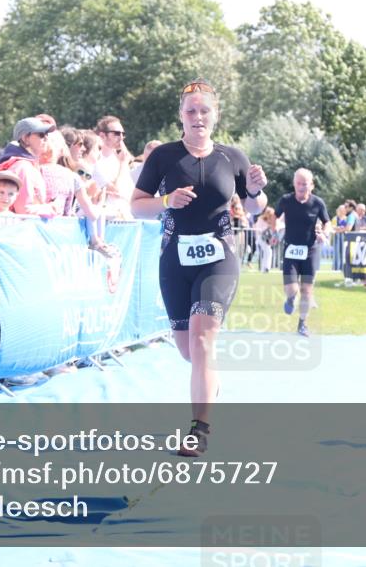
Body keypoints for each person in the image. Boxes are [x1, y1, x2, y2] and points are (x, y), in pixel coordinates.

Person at [131, 79, 267, 457]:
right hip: (175, 257)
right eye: (190, 110)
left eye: (204, 110)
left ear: (215, 115)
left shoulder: (232, 157)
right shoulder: (163, 157)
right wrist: (166, 201)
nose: (198, 117)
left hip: (219, 256)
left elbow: (255, 207)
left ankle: (199, 430)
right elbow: (136, 205)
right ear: (180, 116)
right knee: (190, 351)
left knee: (204, 339)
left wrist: (256, 190)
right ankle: (208, 384)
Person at [276, 168, 330, 337]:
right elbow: (274, 216)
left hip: (311, 250)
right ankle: (291, 299)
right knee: (292, 289)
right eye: (298, 183)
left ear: (311, 185)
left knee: (307, 290)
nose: (301, 187)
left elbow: (327, 222)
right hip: (291, 251)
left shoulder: (317, 203)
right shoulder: (285, 200)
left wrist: (324, 233)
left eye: (305, 184)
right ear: (294, 184)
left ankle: (302, 324)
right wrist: (275, 228)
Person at [0, 117, 63, 217]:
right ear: (26, 138)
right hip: (21, 230)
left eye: (46, 134)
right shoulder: (23, 167)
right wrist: (51, 208)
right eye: (41, 134)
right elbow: (24, 211)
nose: (46, 138)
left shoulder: (26, 165)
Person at [93, 115, 135, 219]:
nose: (121, 137)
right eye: (116, 133)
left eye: (123, 134)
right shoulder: (97, 162)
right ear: (102, 135)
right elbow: (116, 189)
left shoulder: (119, 159)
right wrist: (123, 164)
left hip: (126, 215)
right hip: (108, 220)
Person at [253, 208, 279, 273]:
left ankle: (266, 268)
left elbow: (277, 227)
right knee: (267, 252)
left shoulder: (272, 220)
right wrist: (268, 226)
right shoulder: (261, 219)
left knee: (268, 252)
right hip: (261, 238)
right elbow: (259, 229)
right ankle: (265, 268)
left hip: (268, 238)